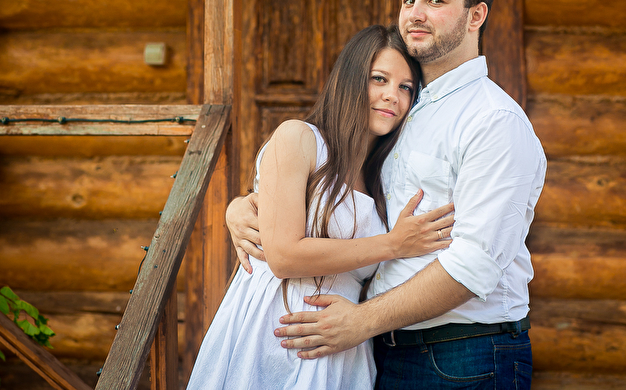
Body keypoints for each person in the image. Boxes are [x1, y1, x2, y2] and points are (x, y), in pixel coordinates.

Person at [228, 0, 547, 389]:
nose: (416, 13)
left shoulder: (493, 120)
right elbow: (337, 197)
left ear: (476, 15)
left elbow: (475, 264)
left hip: (463, 352)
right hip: (380, 349)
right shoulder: (401, 112)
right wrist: (245, 205)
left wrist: (363, 320)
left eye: (435, 0)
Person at [186, 24, 456, 390]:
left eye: (405, 87)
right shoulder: (299, 138)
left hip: (341, 347)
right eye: (379, 79)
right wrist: (393, 244)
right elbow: (283, 256)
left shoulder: (384, 177)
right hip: (275, 332)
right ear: (350, 79)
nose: (392, 95)